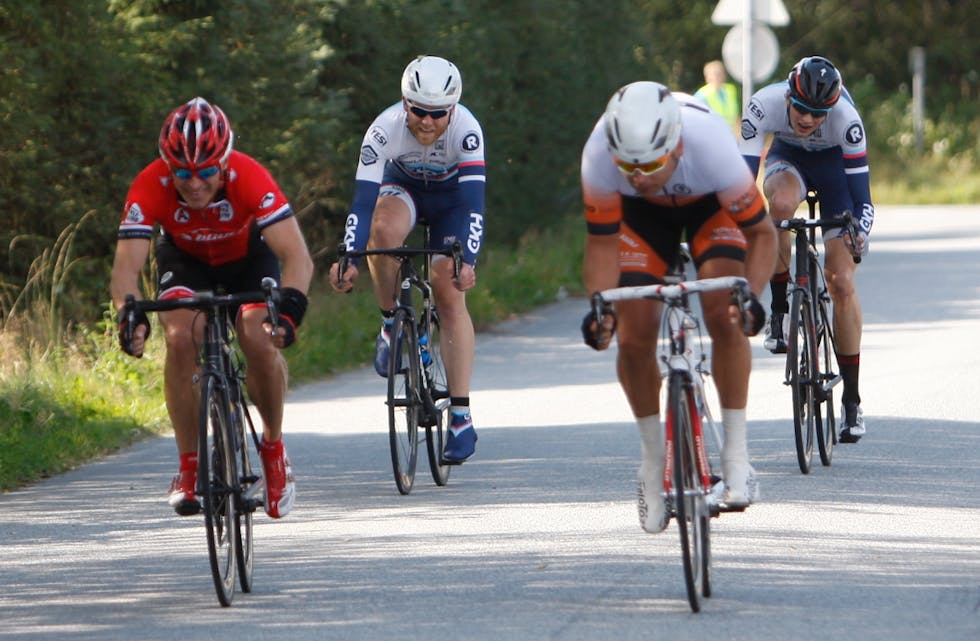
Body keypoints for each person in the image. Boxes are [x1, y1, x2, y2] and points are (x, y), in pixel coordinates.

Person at [580, 81, 776, 534]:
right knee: (633, 337)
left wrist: (753, 295)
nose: (639, 176)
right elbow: (602, 245)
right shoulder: (599, 156)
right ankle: (653, 462)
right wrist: (601, 308)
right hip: (640, 220)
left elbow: (763, 234)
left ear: (676, 143)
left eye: (649, 163)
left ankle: (736, 456)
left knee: (724, 310)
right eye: (627, 164)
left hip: (711, 208)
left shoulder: (710, 146)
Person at [111, 97, 314, 518]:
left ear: (223, 162)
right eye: (182, 172)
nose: (195, 183)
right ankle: (189, 466)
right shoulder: (150, 184)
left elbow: (298, 258)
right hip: (186, 262)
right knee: (180, 336)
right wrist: (129, 314)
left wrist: (291, 308)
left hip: (248, 259)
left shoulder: (250, 177)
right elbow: (126, 269)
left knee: (259, 336)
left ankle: (273, 452)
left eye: (206, 171)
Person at [329, 55, 486, 464]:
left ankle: (461, 417)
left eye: (438, 113)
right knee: (381, 234)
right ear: (405, 103)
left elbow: (472, 203)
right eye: (419, 111)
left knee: (448, 286)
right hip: (406, 192)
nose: (428, 122)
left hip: (453, 202)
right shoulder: (383, 130)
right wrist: (348, 254)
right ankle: (389, 327)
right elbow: (363, 202)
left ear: (452, 108)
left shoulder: (467, 132)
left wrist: (466, 259)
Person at [739, 56, 872, 443]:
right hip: (789, 160)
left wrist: (858, 232)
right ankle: (779, 309)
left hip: (836, 175)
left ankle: (851, 401)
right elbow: (741, 181)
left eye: (818, 113)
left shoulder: (847, 121)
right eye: (800, 109)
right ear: (788, 97)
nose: (808, 119)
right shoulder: (764, 103)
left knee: (841, 280)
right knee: (779, 208)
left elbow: (863, 201)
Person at [693, 60, 740, 133]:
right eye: (715, 74)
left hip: (731, 134)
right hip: (712, 133)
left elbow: (736, 115)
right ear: (707, 77)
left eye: (720, 73)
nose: (718, 76)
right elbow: (696, 119)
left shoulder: (730, 90)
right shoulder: (702, 95)